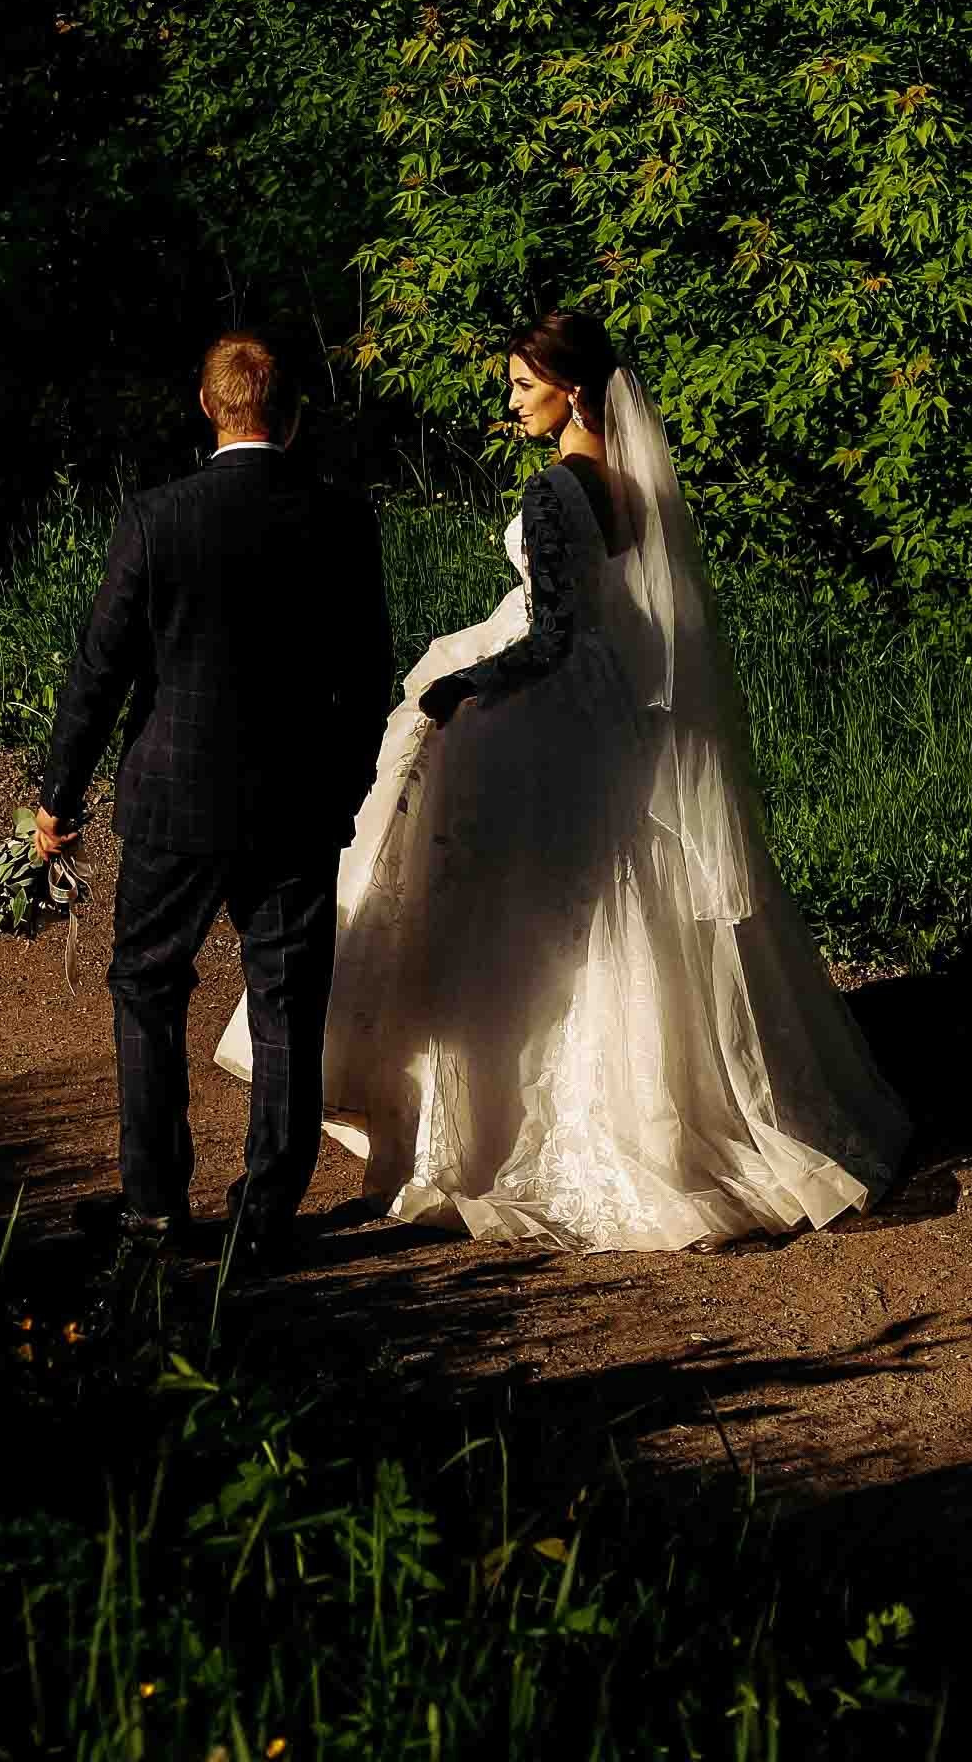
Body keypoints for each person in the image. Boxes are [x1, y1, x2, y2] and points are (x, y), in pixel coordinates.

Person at [217, 309, 910, 1251]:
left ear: (572, 390)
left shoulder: (554, 490)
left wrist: (464, 685)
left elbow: (549, 639)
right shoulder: (633, 486)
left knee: (514, 911)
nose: (510, 402)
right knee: (626, 905)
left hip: (548, 705)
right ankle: (664, 1096)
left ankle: (485, 1127)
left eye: (521, 385)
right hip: (616, 707)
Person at [35, 328, 394, 1274]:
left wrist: (57, 795)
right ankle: (266, 1216)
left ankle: (155, 1211)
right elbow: (368, 680)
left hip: (174, 805)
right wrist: (347, 789)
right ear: (292, 414)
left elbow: (100, 671)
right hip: (296, 806)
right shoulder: (341, 519)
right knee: (287, 1003)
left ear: (207, 407)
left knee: (148, 990)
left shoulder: (158, 518)